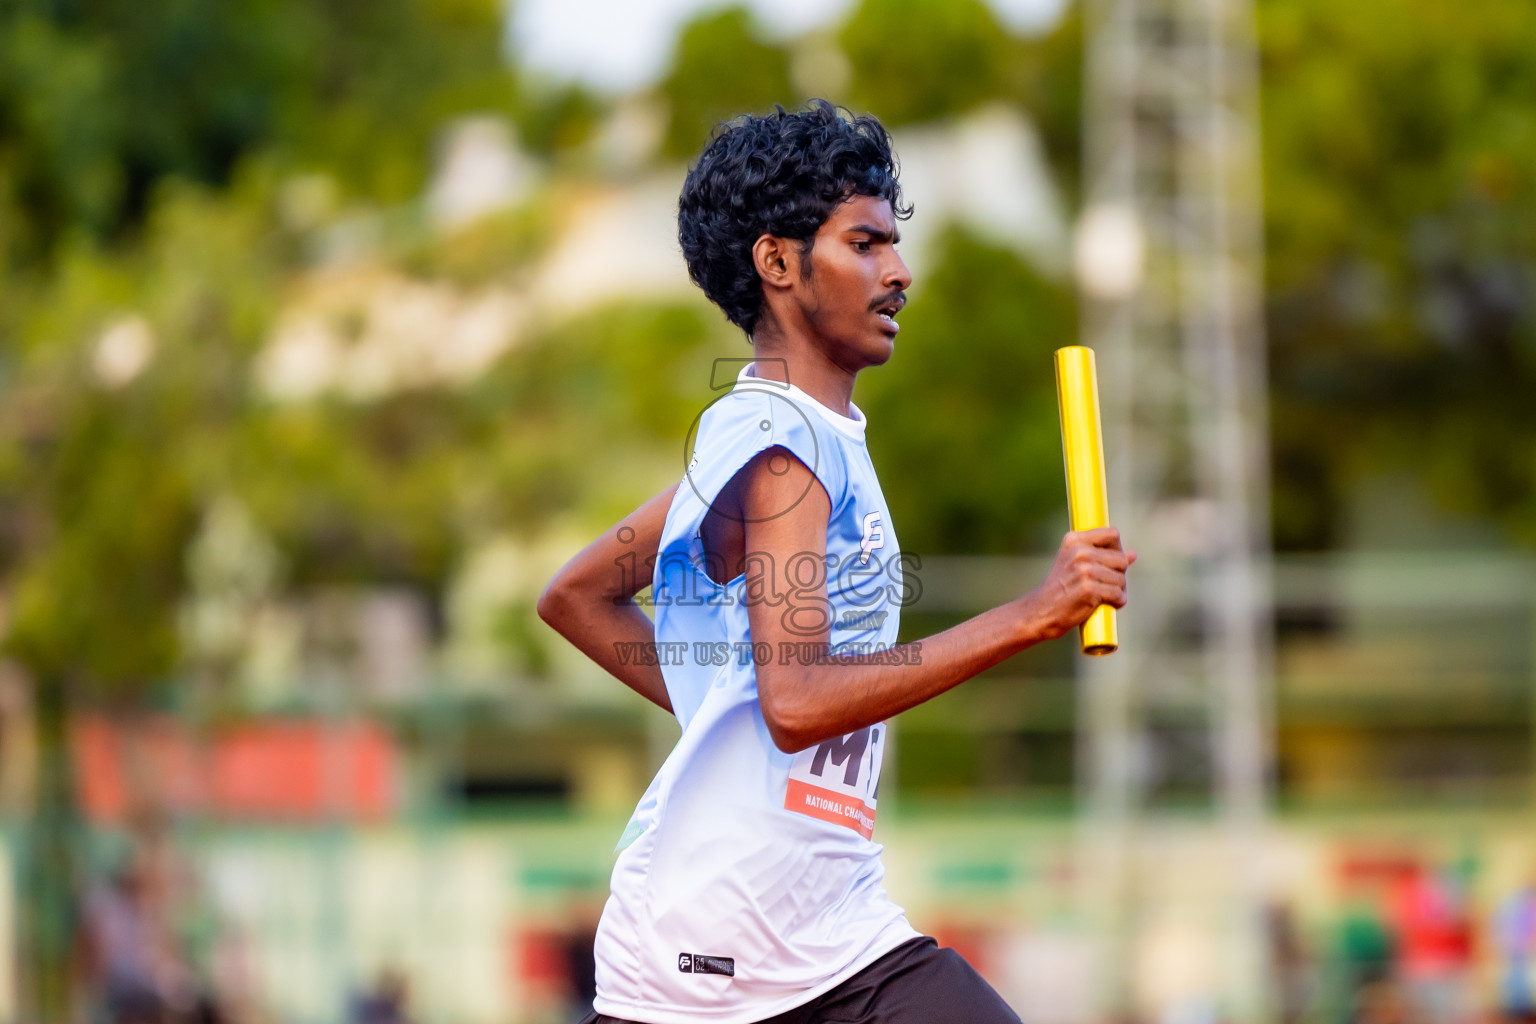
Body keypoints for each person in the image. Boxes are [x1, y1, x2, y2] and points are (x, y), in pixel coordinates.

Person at [538, 99, 1134, 1024]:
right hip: (714, 955)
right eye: (865, 245)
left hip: (833, 929)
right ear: (777, 262)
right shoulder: (782, 450)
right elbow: (799, 702)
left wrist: (713, 710)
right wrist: (1033, 613)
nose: (899, 273)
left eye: (894, 244)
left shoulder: (784, 437)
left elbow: (576, 596)